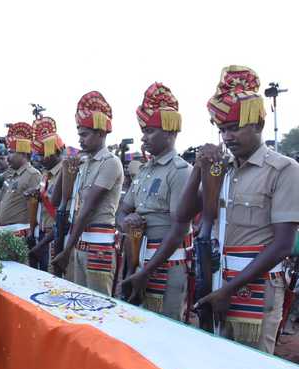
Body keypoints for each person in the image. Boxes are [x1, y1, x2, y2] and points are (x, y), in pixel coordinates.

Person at [128, 66, 299, 353]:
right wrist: (200, 169)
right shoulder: (223, 169)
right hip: (217, 280)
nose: (227, 137)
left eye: (234, 128)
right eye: (222, 129)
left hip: (254, 287)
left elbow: (282, 245)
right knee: (214, 362)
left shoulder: (283, 170)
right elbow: (182, 216)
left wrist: (228, 291)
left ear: (257, 125)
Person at [116, 83, 192, 320]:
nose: (143, 137)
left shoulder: (180, 171)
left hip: (165, 266)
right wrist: (126, 221)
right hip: (136, 259)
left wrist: (147, 270)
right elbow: (122, 210)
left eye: (149, 131)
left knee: (164, 333)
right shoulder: (144, 170)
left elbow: (179, 229)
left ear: (170, 132)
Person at [51, 91, 124, 296]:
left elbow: (88, 207)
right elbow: (58, 201)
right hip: (79, 243)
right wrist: (65, 170)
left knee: (97, 306)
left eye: (85, 134)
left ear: (101, 133)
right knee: (77, 303)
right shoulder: (84, 163)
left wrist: (66, 250)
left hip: (97, 246)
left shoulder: (110, 162)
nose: (80, 140)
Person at [29, 117, 65, 270]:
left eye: (43, 155)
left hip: (56, 234)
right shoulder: (46, 174)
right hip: (43, 232)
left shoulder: (66, 173)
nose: (40, 159)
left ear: (55, 152)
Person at [0, 122, 42, 236]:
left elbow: (35, 207)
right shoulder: (13, 174)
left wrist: (31, 234)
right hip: (4, 232)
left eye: (11, 152)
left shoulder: (33, 174)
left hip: (18, 232)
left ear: (24, 155)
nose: (8, 157)